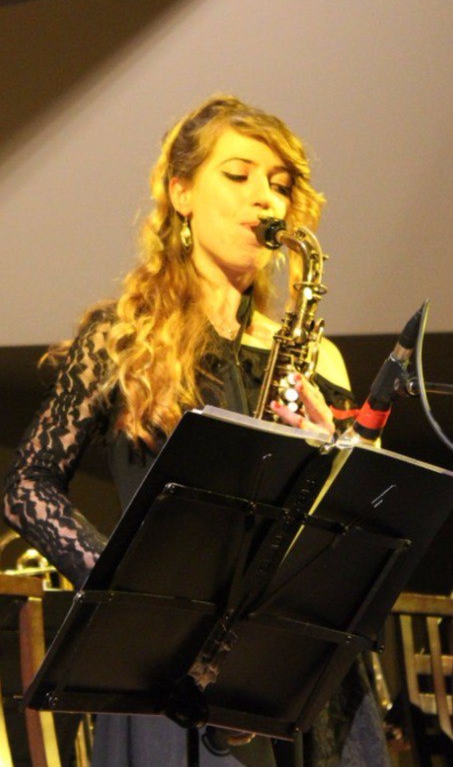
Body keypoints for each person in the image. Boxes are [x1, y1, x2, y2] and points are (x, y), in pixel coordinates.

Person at [3, 95, 390, 767]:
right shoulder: (123, 339)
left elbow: (363, 529)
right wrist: (128, 597)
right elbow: (26, 486)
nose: (264, 198)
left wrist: (342, 453)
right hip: (168, 677)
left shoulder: (318, 357)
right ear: (181, 193)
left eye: (279, 184)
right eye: (238, 175)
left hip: (297, 670)